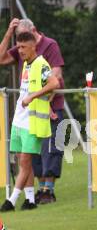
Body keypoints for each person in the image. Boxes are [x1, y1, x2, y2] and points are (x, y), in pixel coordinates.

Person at [0, 18, 65, 204]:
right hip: (27, 115)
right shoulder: (25, 56)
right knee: (28, 158)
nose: (19, 50)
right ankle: (32, 197)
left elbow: (55, 78)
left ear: (33, 34)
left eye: (22, 46)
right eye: (18, 45)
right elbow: (0, 58)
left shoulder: (47, 48)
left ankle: (44, 191)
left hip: (48, 107)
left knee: (49, 149)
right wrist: (7, 33)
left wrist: (38, 99)